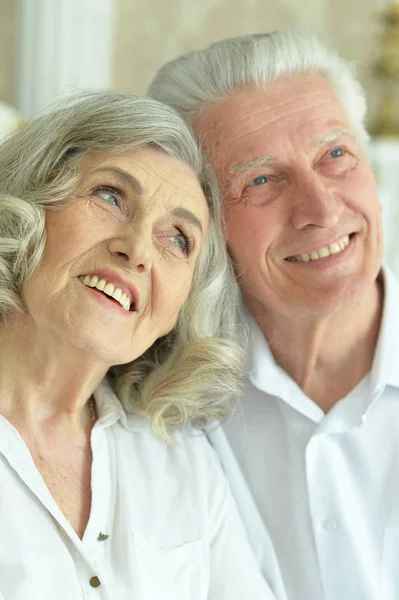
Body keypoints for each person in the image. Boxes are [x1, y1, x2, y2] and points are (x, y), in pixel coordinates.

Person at [148, 29, 399, 600]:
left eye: (335, 155)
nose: (321, 209)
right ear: (202, 223)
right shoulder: (166, 401)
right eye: (260, 180)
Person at [0, 90, 276, 600]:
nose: (138, 249)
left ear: (179, 310)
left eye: (178, 239)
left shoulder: (181, 462)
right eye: (110, 196)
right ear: (28, 202)